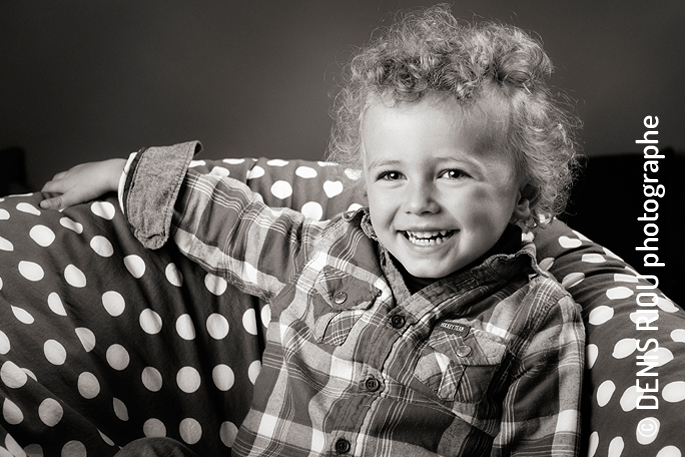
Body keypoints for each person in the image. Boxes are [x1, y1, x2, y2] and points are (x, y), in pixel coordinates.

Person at [40, 5, 584, 456]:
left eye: (453, 173)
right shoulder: (328, 251)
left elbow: (538, 446)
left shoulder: (540, 318)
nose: (419, 202)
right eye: (391, 175)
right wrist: (125, 172)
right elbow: (232, 224)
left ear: (524, 190)